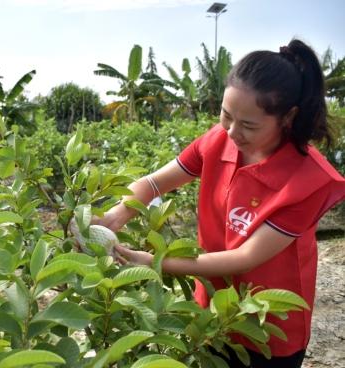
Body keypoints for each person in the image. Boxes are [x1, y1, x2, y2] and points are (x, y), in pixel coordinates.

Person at [97, 39, 345, 368]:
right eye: (226, 116)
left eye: (248, 125)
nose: (231, 132)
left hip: (267, 324)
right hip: (211, 308)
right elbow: (154, 182)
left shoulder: (307, 180)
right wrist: (118, 213)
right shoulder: (217, 141)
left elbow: (245, 259)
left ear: (288, 117)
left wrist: (153, 261)